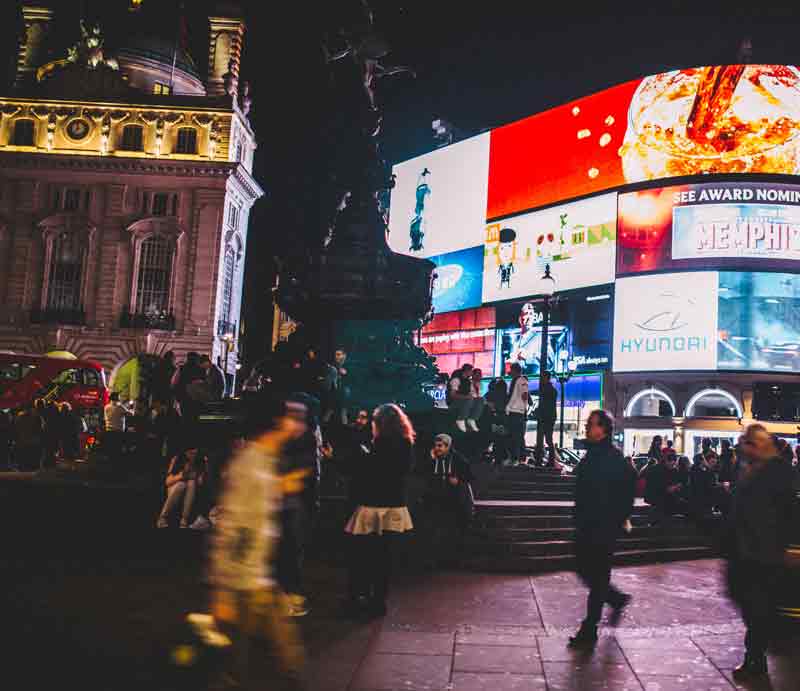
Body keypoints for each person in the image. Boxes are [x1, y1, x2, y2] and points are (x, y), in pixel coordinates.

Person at [204, 395, 308, 690]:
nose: (295, 423)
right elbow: (234, 525)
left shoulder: (265, 460)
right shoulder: (252, 464)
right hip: (244, 577)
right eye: (290, 417)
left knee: (267, 648)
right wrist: (224, 586)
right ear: (276, 424)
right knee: (246, 649)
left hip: (256, 573)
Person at [726, 424, 797, 682]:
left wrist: (787, 546)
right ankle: (757, 655)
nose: (742, 448)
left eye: (747, 443)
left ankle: (756, 658)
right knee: (751, 605)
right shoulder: (749, 470)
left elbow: (788, 510)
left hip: (764, 551)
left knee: (757, 607)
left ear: (756, 445)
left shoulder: (777, 471)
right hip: (747, 550)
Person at [569, 410, 635, 648]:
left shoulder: (614, 458)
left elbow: (628, 489)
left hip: (604, 528)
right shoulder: (591, 455)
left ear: (604, 429)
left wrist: (617, 518)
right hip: (586, 525)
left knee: (596, 577)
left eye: (592, 424)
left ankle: (589, 628)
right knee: (585, 570)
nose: (587, 427)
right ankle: (615, 598)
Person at [342, 403, 415, 617]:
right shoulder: (406, 444)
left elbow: (364, 471)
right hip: (393, 506)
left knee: (362, 555)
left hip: (372, 505)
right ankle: (378, 600)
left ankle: (359, 597)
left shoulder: (378, 444)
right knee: (384, 557)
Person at [420, 434, 474, 568]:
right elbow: (419, 472)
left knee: (452, 531)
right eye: (436, 445)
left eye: (440, 446)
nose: (437, 449)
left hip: (453, 501)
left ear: (448, 447)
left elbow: (470, 476)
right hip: (434, 500)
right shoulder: (431, 458)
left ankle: (451, 560)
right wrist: (431, 460)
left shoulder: (458, 459)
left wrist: (459, 481)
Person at [156, 447, 208, 528]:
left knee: (191, 483)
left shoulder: (201, 462)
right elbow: (167, 482)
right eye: (190, 451)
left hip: (191, 492)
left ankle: (184, 520)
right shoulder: (177, 459)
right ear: (185, 451)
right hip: (176, 489)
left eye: (195, 450)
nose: (193, 452)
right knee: (181, 485)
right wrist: (181, 476)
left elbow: (201, 484)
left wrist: (200, 474)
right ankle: (163, 517)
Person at [505, 363, 529, 466]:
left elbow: (525, 394)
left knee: (516, 435)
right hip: (514, 410)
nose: (510, 372)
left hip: (517, 411)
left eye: (511, 370)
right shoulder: (515, 381)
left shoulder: (522, 380)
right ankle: (517, 458)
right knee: (515, 435)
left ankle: (517, 458)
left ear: (515, 371)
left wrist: (523, 408)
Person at [13, 402, 43, 471]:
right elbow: (40, 430)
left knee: (23, 465)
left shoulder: (19, 418)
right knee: (33, 465)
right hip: (33, 443)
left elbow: (15, 430)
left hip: (22, 442)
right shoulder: (37, 417)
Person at [536, 372, 558, 465]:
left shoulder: (548, 389)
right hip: (548, 417)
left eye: (542, 377)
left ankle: (547, 460)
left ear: (546, 378)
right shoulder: (551, 389)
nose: (541, 379)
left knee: (546, 439)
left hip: (546, 417)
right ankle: (549, 460)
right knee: (547, 439)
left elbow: (541, 395)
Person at [449, 363, 476, 433]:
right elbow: (452, 395)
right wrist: (466, 397)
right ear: (466, 370)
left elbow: (472, 393)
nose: (472, 373)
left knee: (479, 400)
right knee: (469, 400)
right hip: (454, 402)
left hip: (465, 400)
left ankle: (471, 420)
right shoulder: (456, 380)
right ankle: (460, 419)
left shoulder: (468, 381)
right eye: (471, 371)